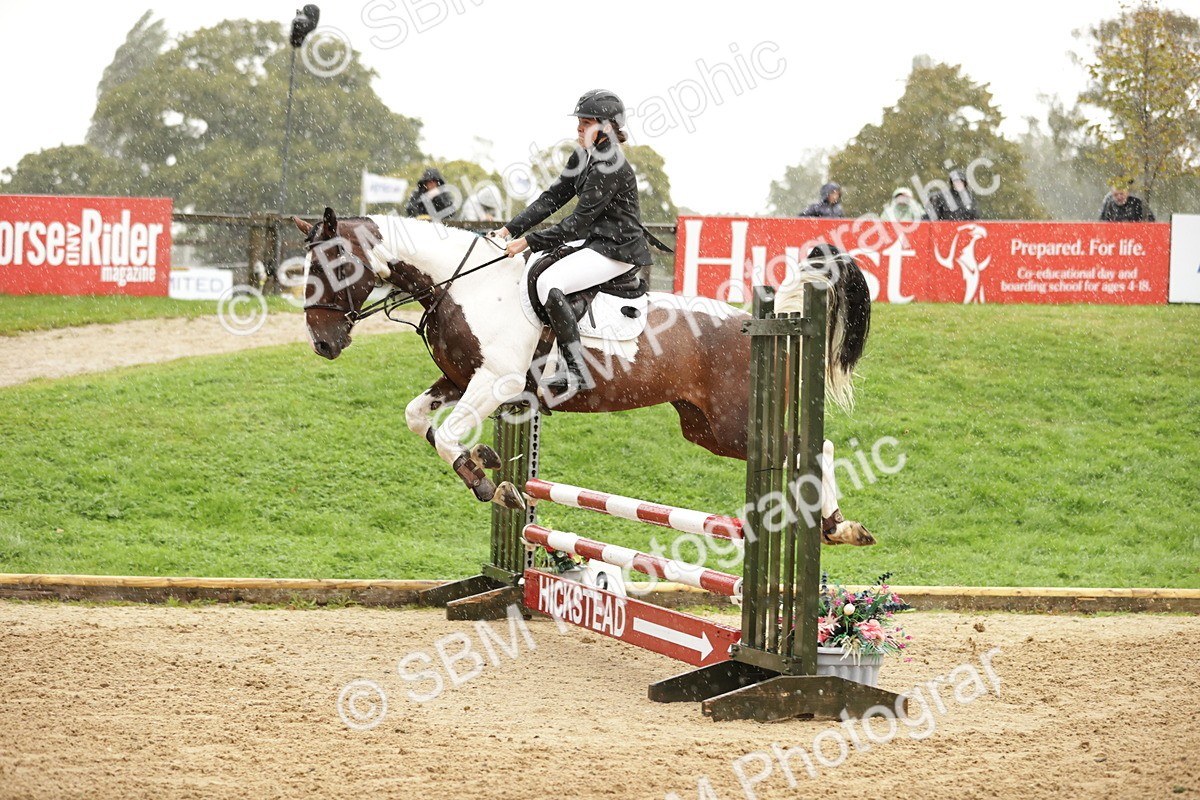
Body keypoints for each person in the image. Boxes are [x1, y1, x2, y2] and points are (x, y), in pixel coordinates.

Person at [490, 89, 651, 395]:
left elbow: (577, 222)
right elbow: (551, 199)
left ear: (606, 127)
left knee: (549, 283)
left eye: (586, 123)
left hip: (617, 250)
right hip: (596, 242)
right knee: (534, 270)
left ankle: (575, 371)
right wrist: (509, 229)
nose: (578, 128)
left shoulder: (610, 165)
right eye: (579, 121)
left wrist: (528, 241)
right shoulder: (582, 156)